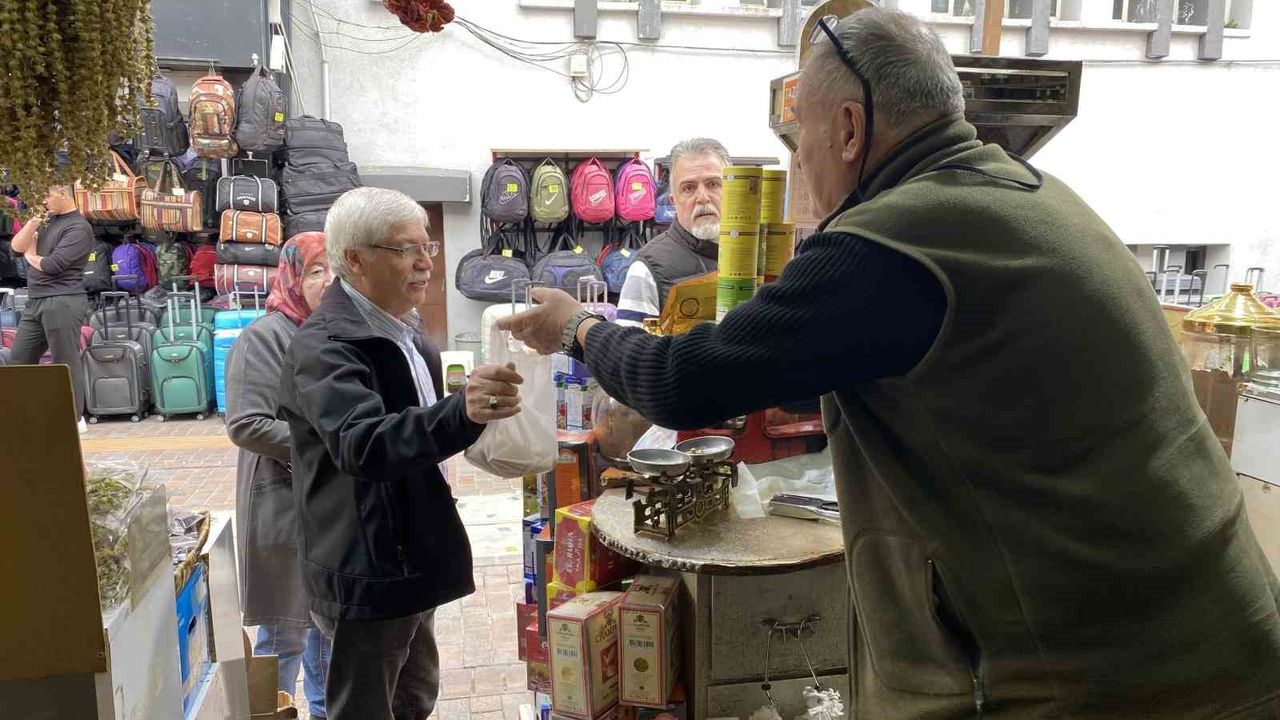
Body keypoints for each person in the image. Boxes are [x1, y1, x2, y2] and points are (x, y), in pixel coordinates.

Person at [499, 8, 1280, 719]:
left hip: (1123, 680)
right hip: (1212, 627)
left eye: (800, 139)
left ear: (847, 129)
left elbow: (679, 382)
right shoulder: (1030, 193)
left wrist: (578, 328)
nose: (800, 163)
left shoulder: (895, 241)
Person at [277, 187, 523, 720]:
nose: (424, 264)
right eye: (405, 250)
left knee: (414, 699)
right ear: (355, 260)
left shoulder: (409, 337)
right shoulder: (325, 347)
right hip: (366, 565)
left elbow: (420, 443)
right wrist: (461, 412)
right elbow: (362, 443)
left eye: (428, 248)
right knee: (364, 708)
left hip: (410, 554)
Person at [225, 232, 334, 719]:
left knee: (324, 627)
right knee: (285, 631)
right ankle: (273, 711)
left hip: (322, 505)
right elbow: (247, 424)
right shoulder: (265, 337)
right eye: (316, 271)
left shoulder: (328, 333)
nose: (328, 281)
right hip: (281, 505)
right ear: (292, 276)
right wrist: (330, 438)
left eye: (336, 270)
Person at [616, 138, 729, 327]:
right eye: (688, 188)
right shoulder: (647, 269)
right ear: (673, 201)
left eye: (713, 184)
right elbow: (628, 353)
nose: (702, 197)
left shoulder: (760, 255)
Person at [9, 183, 93, 431]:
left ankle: (74, 418)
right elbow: (16, 248)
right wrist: (32, 224)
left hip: (64, 299)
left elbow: (53, 265)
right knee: (19, 359)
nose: (43, 200)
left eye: (47, 195)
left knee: (64, 360)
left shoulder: (78, 227)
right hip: (36, 300)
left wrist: (31, 256)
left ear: (63, 194)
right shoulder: (46, 221)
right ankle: (23, 414)